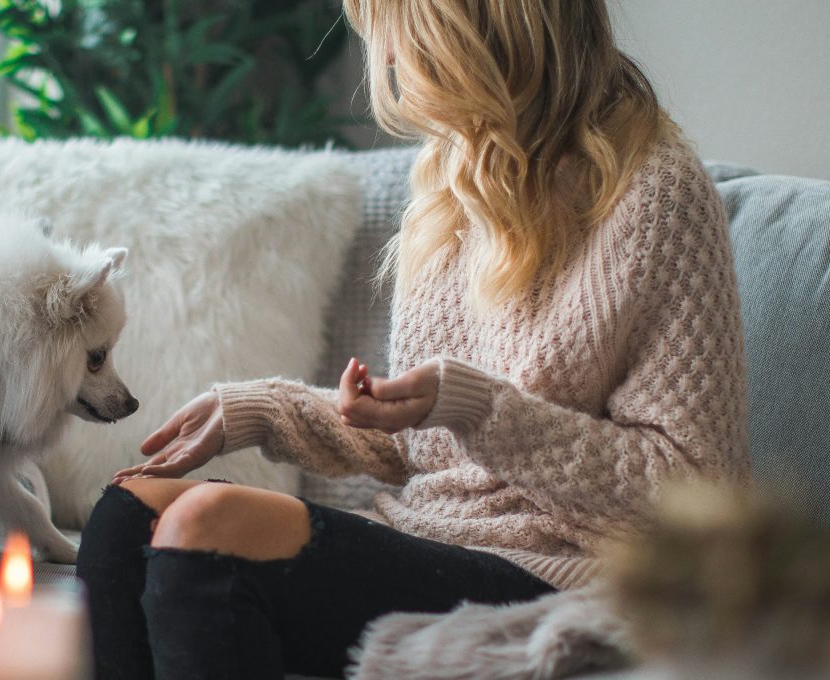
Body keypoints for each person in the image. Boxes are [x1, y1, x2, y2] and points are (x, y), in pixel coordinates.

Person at [75, 1, 748, 677]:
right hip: (427, 539)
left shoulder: (656, 194)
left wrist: (481, 408)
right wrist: (266, 411)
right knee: (125, 517)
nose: (389, 61)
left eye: (397, 35)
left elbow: (694, 493)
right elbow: (422, 443)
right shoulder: (451, 176)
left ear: (470, 30)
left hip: (569, 574)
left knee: (207, 526)